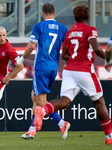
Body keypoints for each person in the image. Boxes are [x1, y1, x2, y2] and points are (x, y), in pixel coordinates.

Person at [34, 6, 112, 145]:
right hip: (85, 69)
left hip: (69, 70)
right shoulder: (90, 30)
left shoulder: (69, 33)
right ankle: (109, 136)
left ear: (75, 17)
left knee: (64, 102)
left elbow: (64, 55)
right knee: (100, 102)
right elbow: (97, 48)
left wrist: (75, 58)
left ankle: (43, 110)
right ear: (87, 16)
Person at [16, 3, 70, 140]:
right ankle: (32, 129)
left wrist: (21, 59)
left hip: (41, 66)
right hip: (53, 67)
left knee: (41, 100)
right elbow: (68, 49)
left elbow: (31, 45)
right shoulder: (63, 28)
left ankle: (62, 123)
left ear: (42, 13)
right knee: (35, 96)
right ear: (55, 12)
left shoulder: (39, 26)